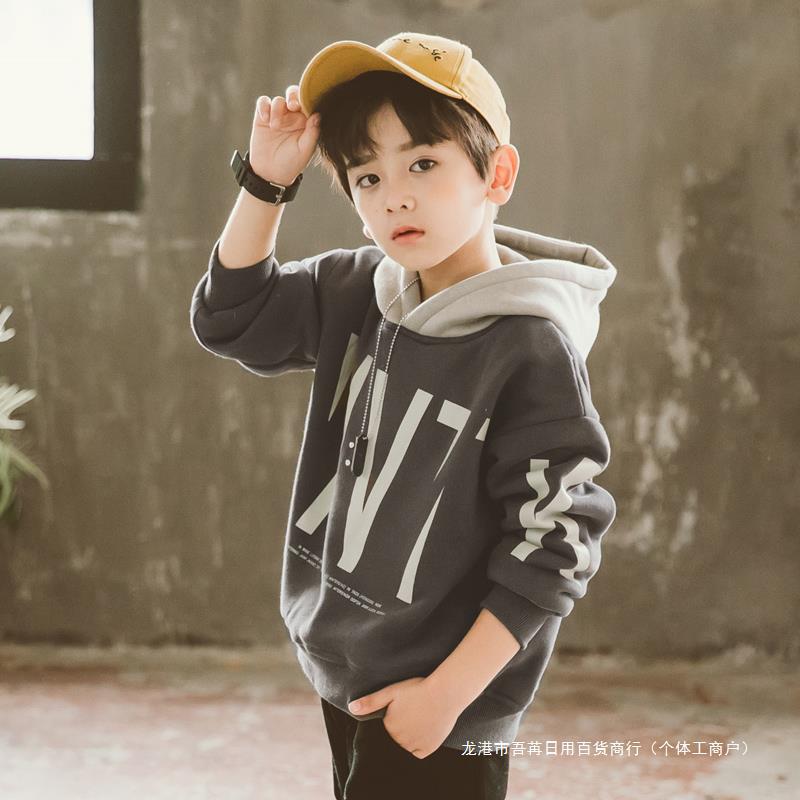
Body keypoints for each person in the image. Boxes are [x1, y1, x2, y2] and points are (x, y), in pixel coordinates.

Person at [190, 31, 618, 800]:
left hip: (444, 705)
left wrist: (447, 697)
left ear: (497, 174)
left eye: (422, 163)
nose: (394, 195)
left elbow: (555, 544)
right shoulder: (358, 288)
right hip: (347, 669)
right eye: (367, 175)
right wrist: (266, 183)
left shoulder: (530, 347)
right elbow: (234, 318)